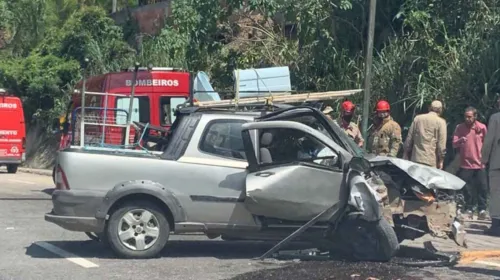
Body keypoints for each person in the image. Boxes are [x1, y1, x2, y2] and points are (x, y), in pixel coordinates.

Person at [453, 107, 489, 220]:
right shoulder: (460, 127)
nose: (467, 119)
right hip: (466, 164)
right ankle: (469, 208)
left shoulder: (482, 127)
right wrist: (460, 141)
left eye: (470, 116)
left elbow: (487, 143)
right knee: (467, 188)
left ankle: (482, 210)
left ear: (475, 116)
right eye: (465, 116)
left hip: (480, 163)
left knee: (482, 187)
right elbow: (454, 143)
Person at [403, 100, 447, 169]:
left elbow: (409, 138)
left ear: (429, 108)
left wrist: (405, 153)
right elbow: (442, 145)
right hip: (431, 161)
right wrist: (441, 160)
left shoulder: (418, 118)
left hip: (416, 158)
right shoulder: (441, 122)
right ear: (440, 110)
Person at [482, 98, 500, 235]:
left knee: (496, 193)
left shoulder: (495, 118)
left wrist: (484, 159)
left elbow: (489, 141)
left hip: (497, 163)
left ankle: (496, 227)